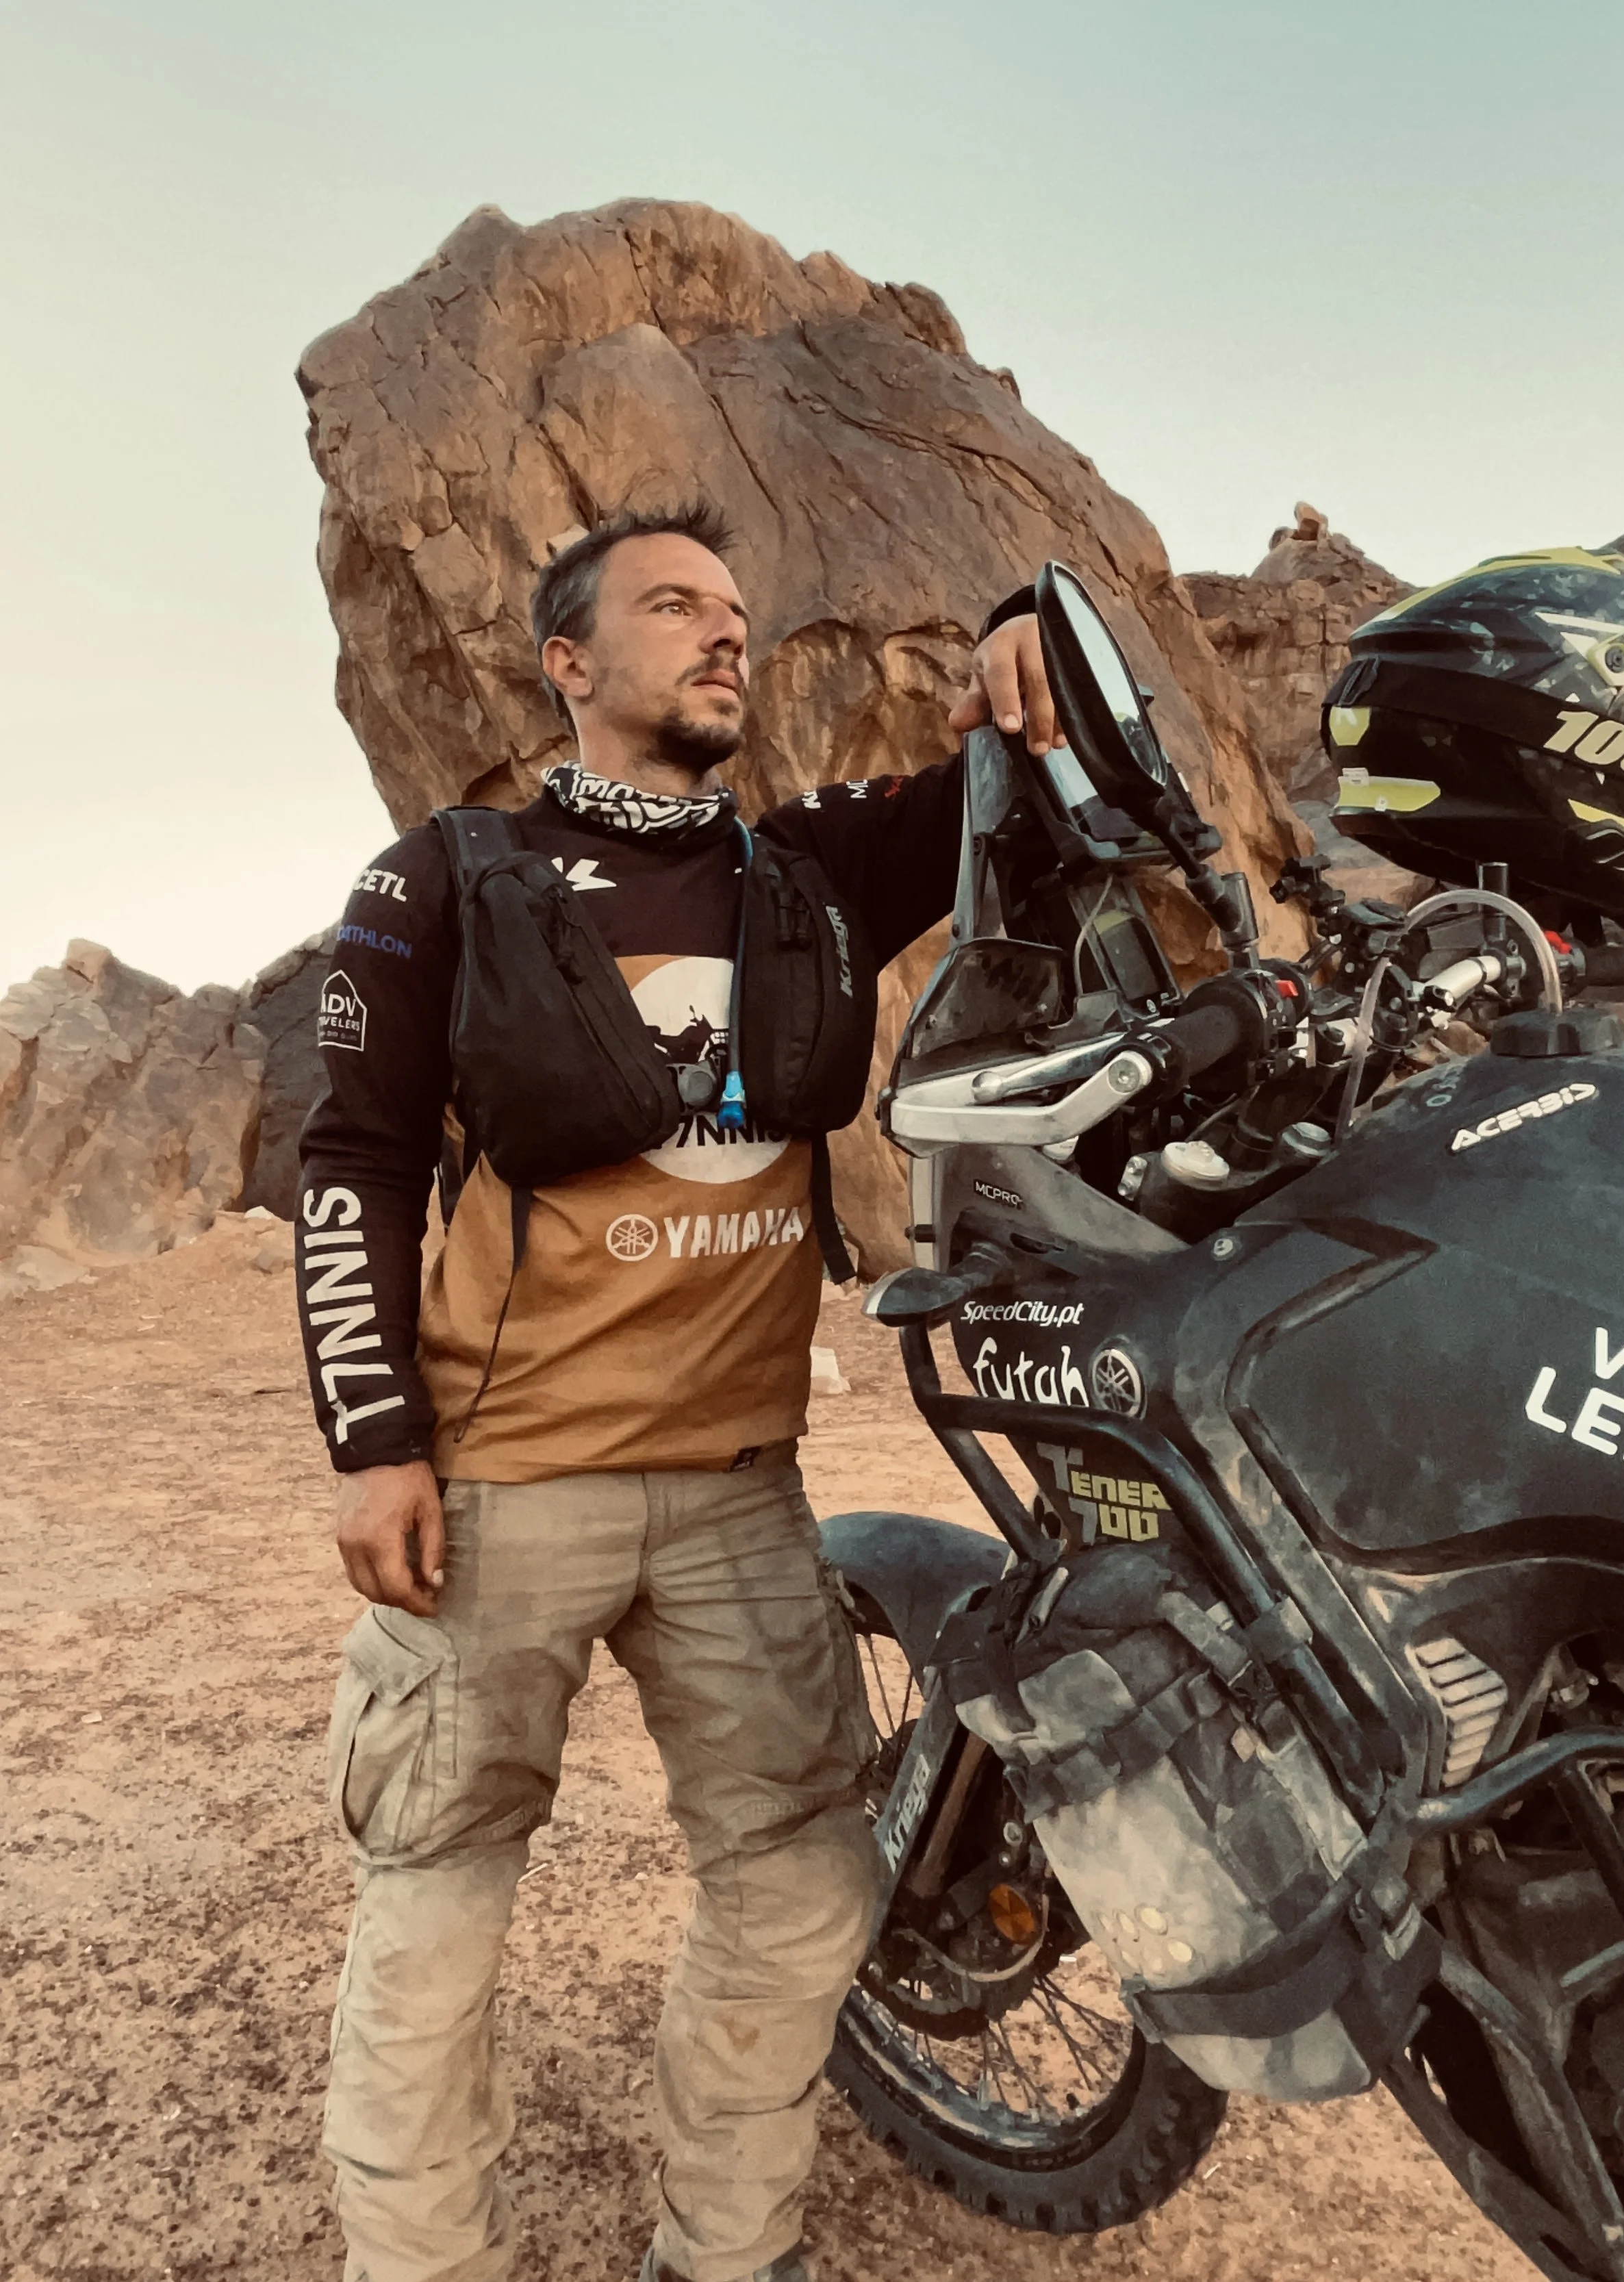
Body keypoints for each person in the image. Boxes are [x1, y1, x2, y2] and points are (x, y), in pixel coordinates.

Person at [296, 500, 1059, 2282]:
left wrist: (1032, 612)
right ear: (569, 662)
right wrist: (374, 1440)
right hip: (498, 1489)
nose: (723, 633)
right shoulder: (445, 879)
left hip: (734, 1486)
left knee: (802, 1895)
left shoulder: (800, 871)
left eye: (732, 609)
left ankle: (723, 2251)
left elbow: (1002, 763)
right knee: (436, 1915)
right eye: (671, 606)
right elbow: (352, 1160)